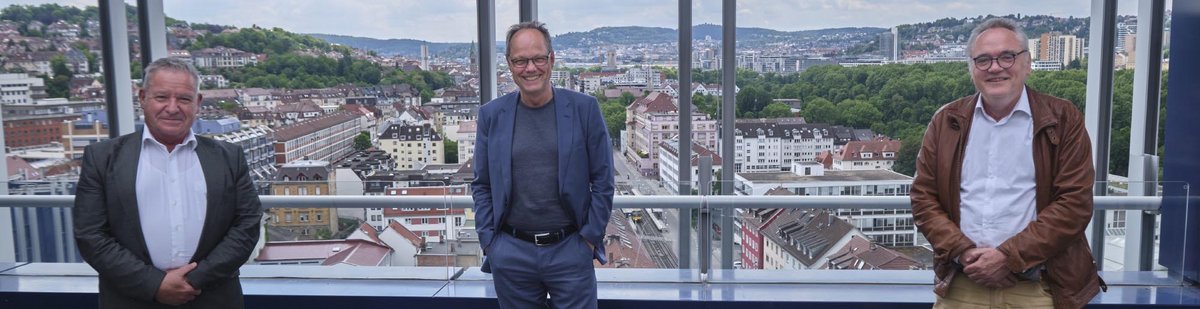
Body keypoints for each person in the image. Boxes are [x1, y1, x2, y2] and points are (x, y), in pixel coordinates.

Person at [910, 17, 1104, 309]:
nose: (995, 67)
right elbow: (923, 197)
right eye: (984, 60)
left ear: (1027, 63)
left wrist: (1008, 258)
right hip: (962, 286)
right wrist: (963, 253)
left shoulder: (1063, 119)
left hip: (1039, 288)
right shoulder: (946, 122)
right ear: (972, 69)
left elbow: (1074, 204)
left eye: (1007, 57)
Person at [74, 57, 262, 309]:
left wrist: (193, 280)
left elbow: (246, 226)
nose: (172, 108)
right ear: (142, 98)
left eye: (184, 99)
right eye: (162, 97)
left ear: (197, 103)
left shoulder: (229, 157)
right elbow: (91, 235)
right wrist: (154, 285)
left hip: (212, 299)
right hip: (130, 300)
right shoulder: (102, 158)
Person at [472, 21, 615, 309]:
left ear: (551, 59)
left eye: (538, 58)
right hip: (511, 254)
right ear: (509, 65)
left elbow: (603, 180)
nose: (530, 68)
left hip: (570, 249)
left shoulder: (584, 109)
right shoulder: (491, 115)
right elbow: (482, 184)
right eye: (520, 61)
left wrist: (588, 239)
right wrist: (491, 243)